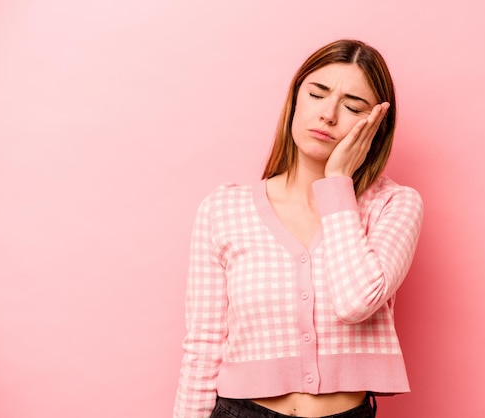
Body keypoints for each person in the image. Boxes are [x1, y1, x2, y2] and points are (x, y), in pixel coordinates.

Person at [173, 39, 423, 418]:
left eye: (353, 106)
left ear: (375, 124)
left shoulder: (393, 205)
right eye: (317, 94)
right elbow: (204, 345)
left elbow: (357, 301)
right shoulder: (223, 209)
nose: (328, 115)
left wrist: (338, 184)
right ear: (295, 98)